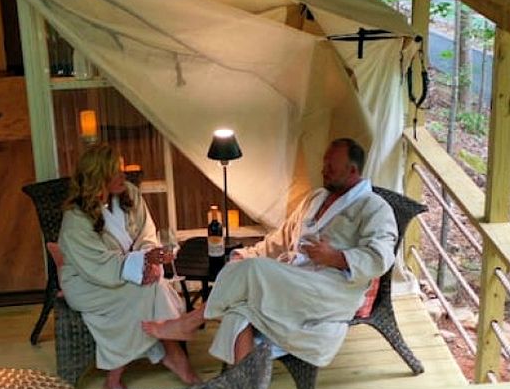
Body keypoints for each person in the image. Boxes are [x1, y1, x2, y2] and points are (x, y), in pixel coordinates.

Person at [143, 137, 397, 367]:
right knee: (239, 310)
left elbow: (381, 256)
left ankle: (191, 321)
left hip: (331, 288)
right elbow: (280, 239)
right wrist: (248, 254)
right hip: (294, 278)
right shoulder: (317, 198)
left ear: (352, 171)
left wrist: (337, 257)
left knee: (252, 272)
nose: (324, 170)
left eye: (331, 166)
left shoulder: (374, 208)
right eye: (324, 163)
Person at [57, 143, 199, 389]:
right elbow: (98, 265)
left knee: (151, 286)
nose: (124, 175)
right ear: (99, 178)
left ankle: (117, 377)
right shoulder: (76, 220)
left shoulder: (129, 194)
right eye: (116, 171)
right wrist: (144, 263)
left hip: (127, 271)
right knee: (149, 290)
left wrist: (149, 261)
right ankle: (174, 354)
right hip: (88, 282)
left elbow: (147, 233)